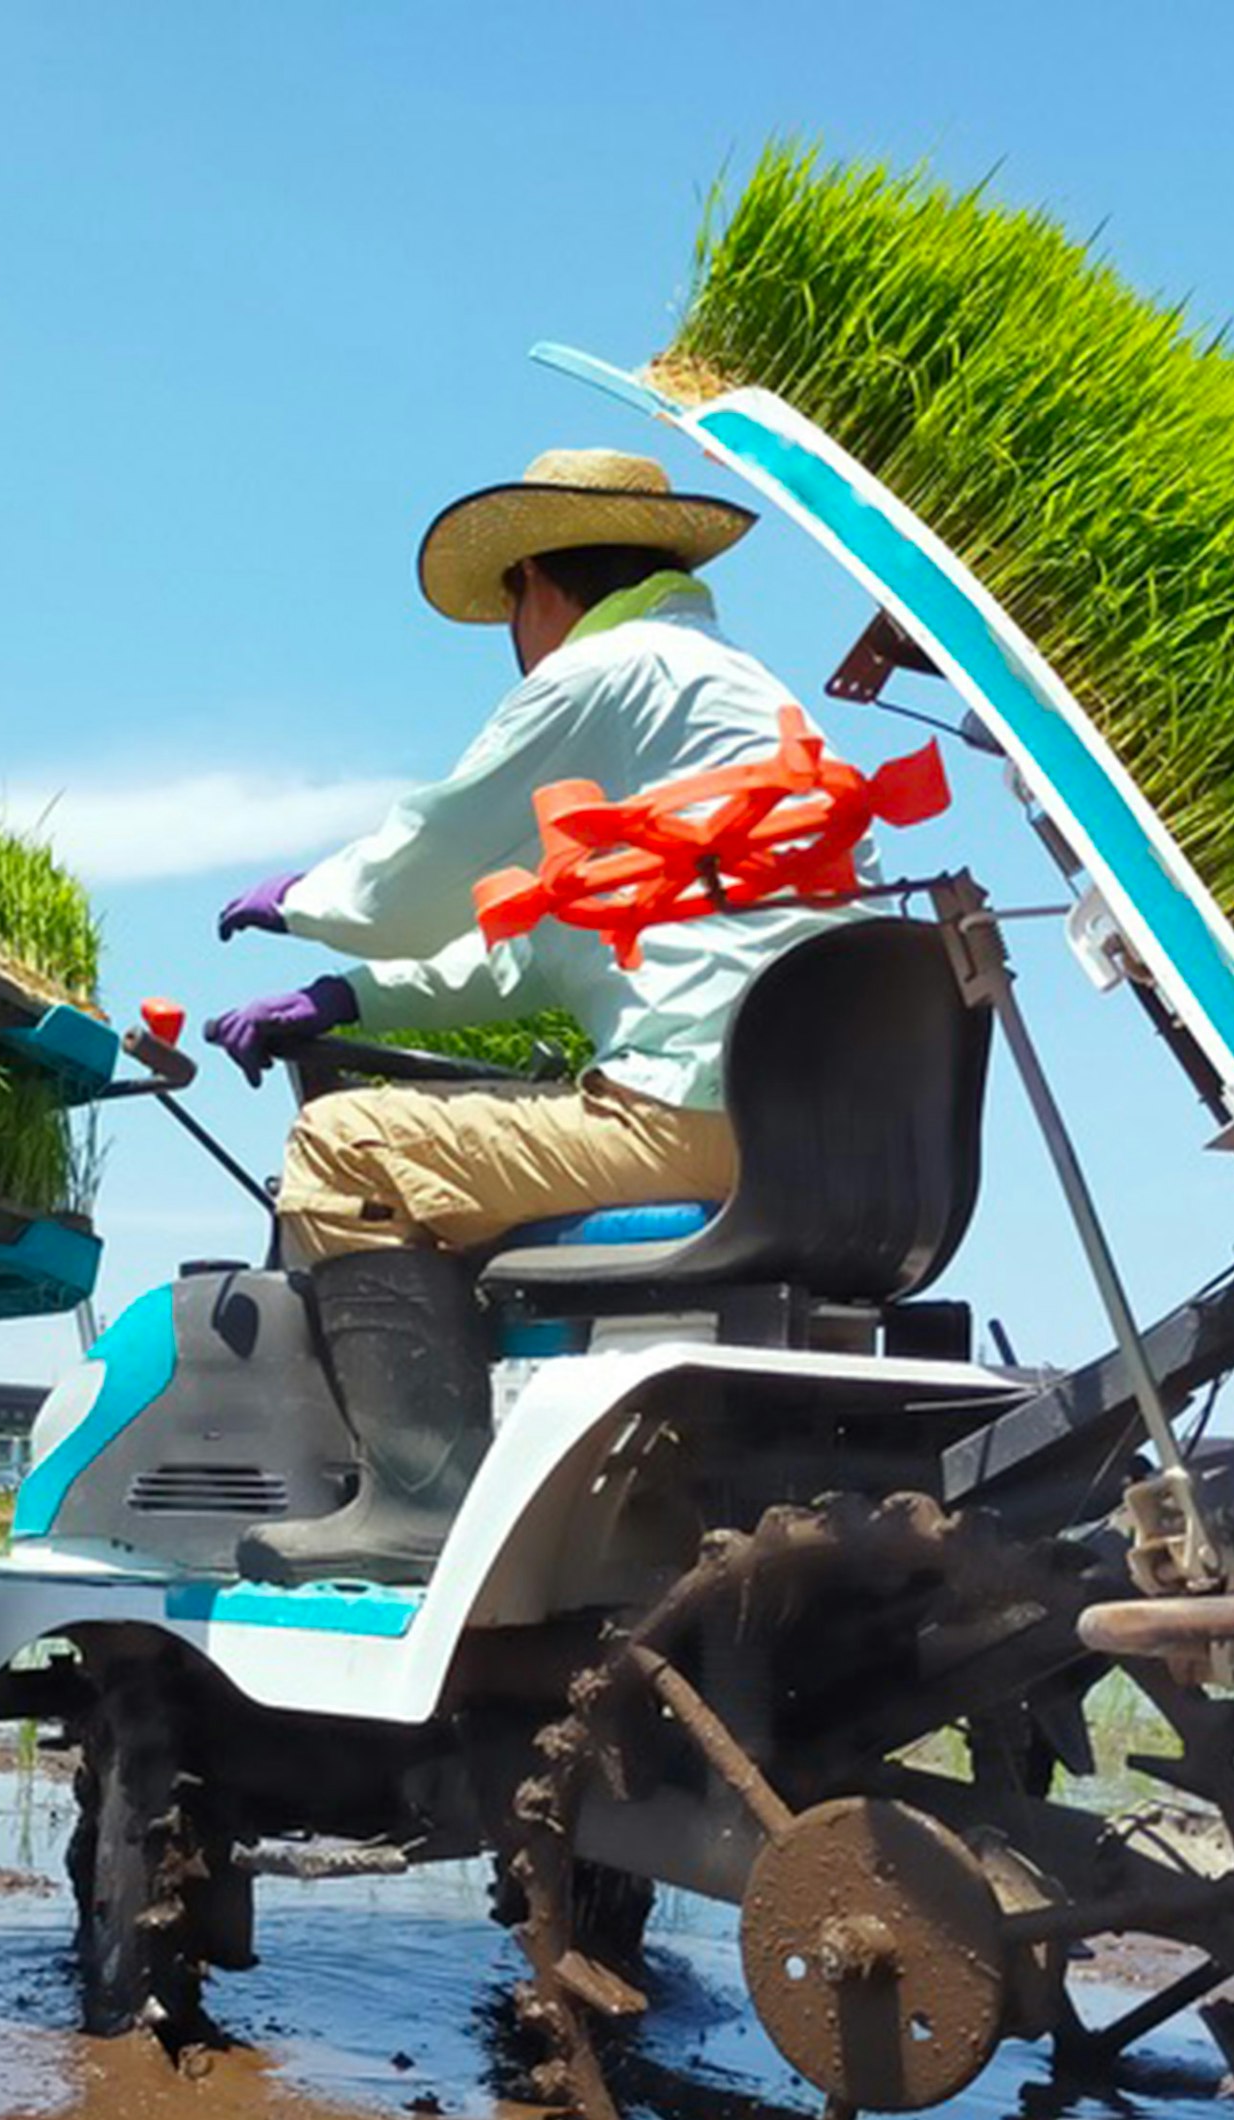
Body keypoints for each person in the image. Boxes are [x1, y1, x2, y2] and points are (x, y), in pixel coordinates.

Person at [202, 444, 866, 1585]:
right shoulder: (733, 701)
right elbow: (534, 959)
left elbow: (423, 860)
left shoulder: (604, 673)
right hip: (802, 1124)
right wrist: (347, 996)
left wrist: (305, 904)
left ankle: (417, 1502)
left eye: (512, 612)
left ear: (540, 592)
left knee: (344, 1145)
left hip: (691, 1115)